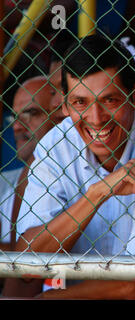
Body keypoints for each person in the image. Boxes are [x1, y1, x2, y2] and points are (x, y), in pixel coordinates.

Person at [11, 34, 135, 299]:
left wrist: (48, 299)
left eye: (110, 100)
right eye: (80, 103)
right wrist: (98, 193)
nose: (96, 119)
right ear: (66, 105)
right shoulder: (57, 142)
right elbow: (27, 266)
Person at [0, 76, 64, 252]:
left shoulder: (78, 176)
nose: (17, 127)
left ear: (60, 115)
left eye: (31, 114)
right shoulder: (3, 183)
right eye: (14, 117)